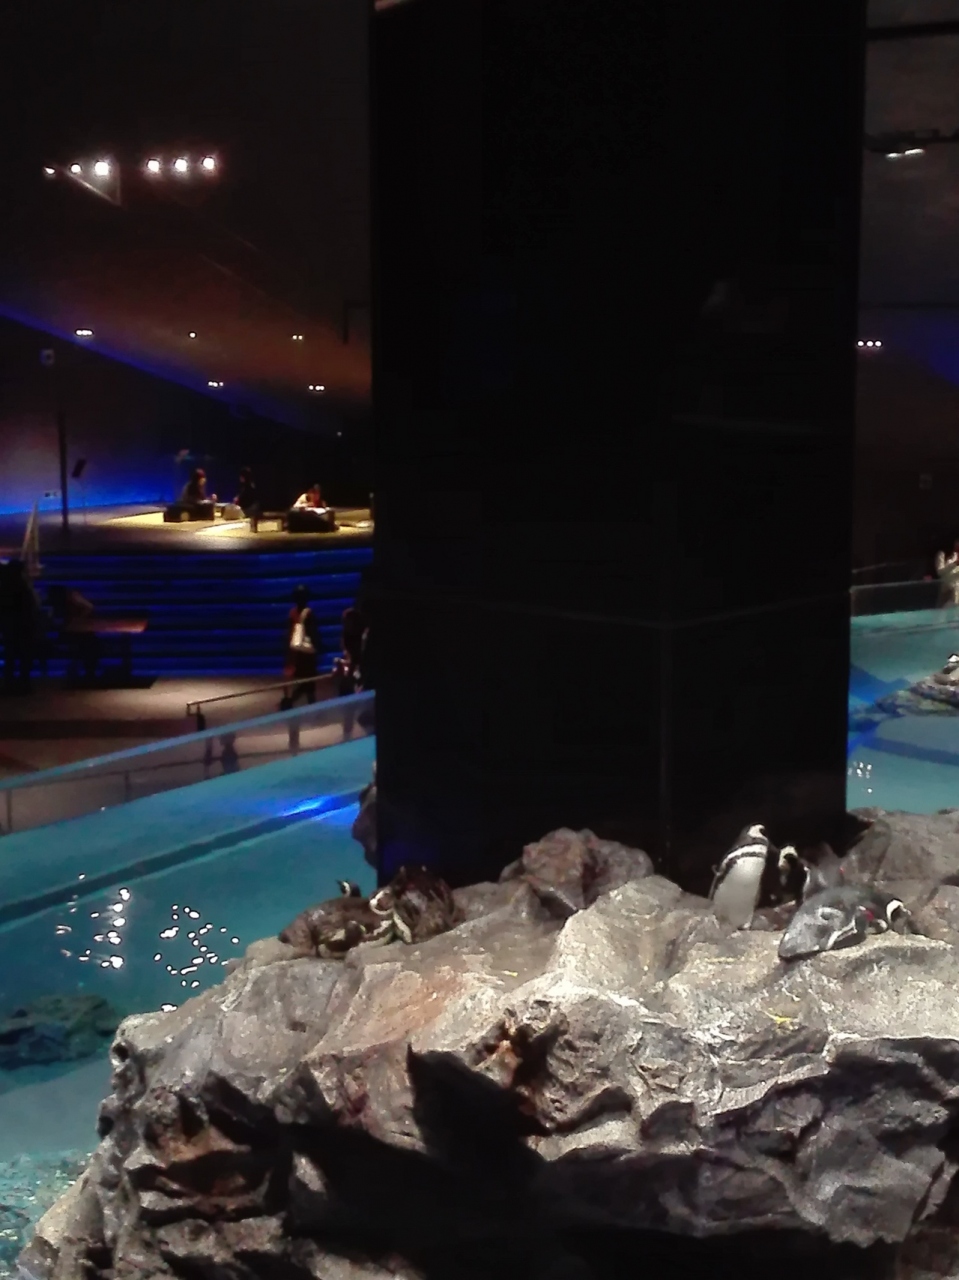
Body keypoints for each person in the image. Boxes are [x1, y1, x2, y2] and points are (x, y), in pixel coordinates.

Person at [0, 560, 41, 692]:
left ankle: (10, 683)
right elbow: (30, 607)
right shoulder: (22, 587)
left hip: (10, 626)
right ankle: (23, 683)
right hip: (24, 626)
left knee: (10, 656)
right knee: (24, 656)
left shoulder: (5, 586)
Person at [280, 585, 320, 709]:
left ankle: (291, 703)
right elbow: (313, 633)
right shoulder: (309, 614)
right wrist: (318, 647)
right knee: (309, 684)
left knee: (305, 683)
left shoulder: (292, 613)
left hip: (295, 653)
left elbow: (288, 634)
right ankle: (308, 708)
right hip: (307, 654)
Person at [233, 466, 260, 532]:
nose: (240, 478)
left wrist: (237, 500)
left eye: (241, 476)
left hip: (248, 510)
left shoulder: (249, 487)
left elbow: (246, 501)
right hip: (246, 509)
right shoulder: (246, 486)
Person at [935, 539, 959, 607]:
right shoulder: (942, 554)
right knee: (942, 611)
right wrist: (955, 564)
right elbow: (940, 572)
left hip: (957, 591)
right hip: (945, 590)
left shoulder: (957, 555)